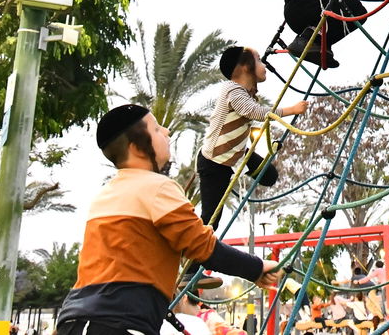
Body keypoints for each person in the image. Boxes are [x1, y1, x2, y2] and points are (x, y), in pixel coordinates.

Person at [55, 104, 282, 335]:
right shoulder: (157, 187)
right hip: (119, 321)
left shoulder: (105, 196)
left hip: (72, 318)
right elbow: (202, 247)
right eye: (156, 129)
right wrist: (257, 267)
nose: (166, 132)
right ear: (136, 148)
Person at [198, 45, 308, 227]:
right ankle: (193, 250)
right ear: (244, 67)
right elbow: (254, 112)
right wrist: (292, 110)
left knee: (269, 175)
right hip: (214, 163)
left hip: (237, 155)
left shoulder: (246, 93)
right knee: (210, 221)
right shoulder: (231, 90)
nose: (263, 64)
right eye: (258, 60)